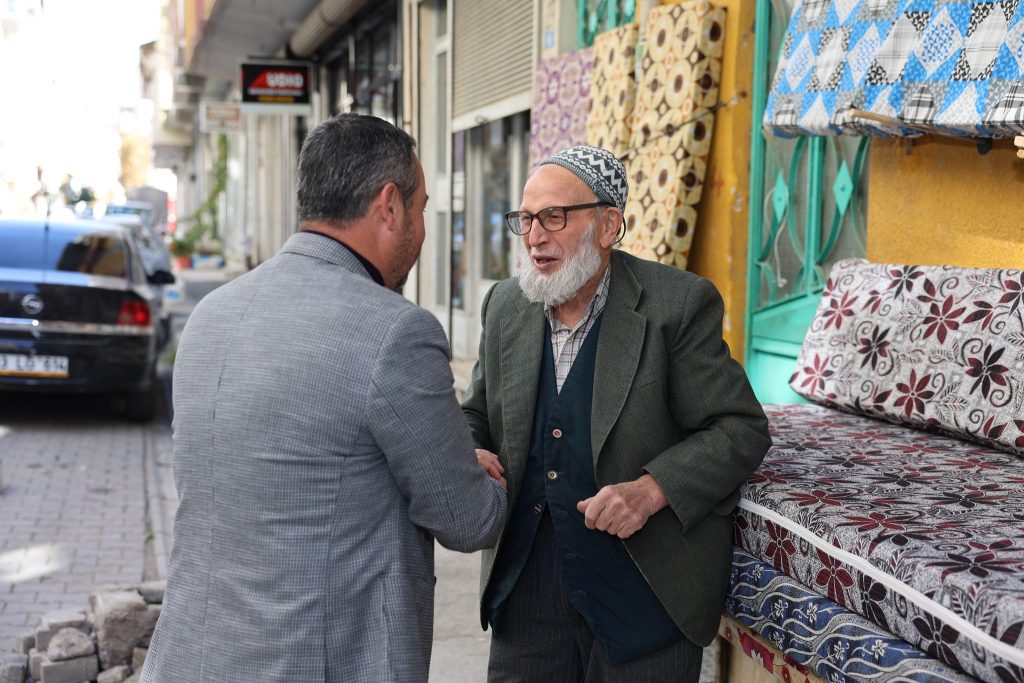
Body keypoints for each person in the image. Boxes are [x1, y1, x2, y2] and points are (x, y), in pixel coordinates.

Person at [142, 114, 507, 683]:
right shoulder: (397, 332)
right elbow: (466, 519)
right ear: (389, 205)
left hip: (189, 657)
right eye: (423, 208)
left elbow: (296, 466)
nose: (423, 229)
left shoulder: (211, 314)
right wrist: (474, 474)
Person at [463, 145, 772, 682]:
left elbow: (739, 428)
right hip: (526, 585)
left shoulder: (676, 304)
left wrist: (650, 491)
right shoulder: (505, 305)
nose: (535, 235)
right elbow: (477, 413)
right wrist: (467, 448)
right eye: (527, 219)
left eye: (554, 216)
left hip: (642, 587)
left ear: (608, 225)